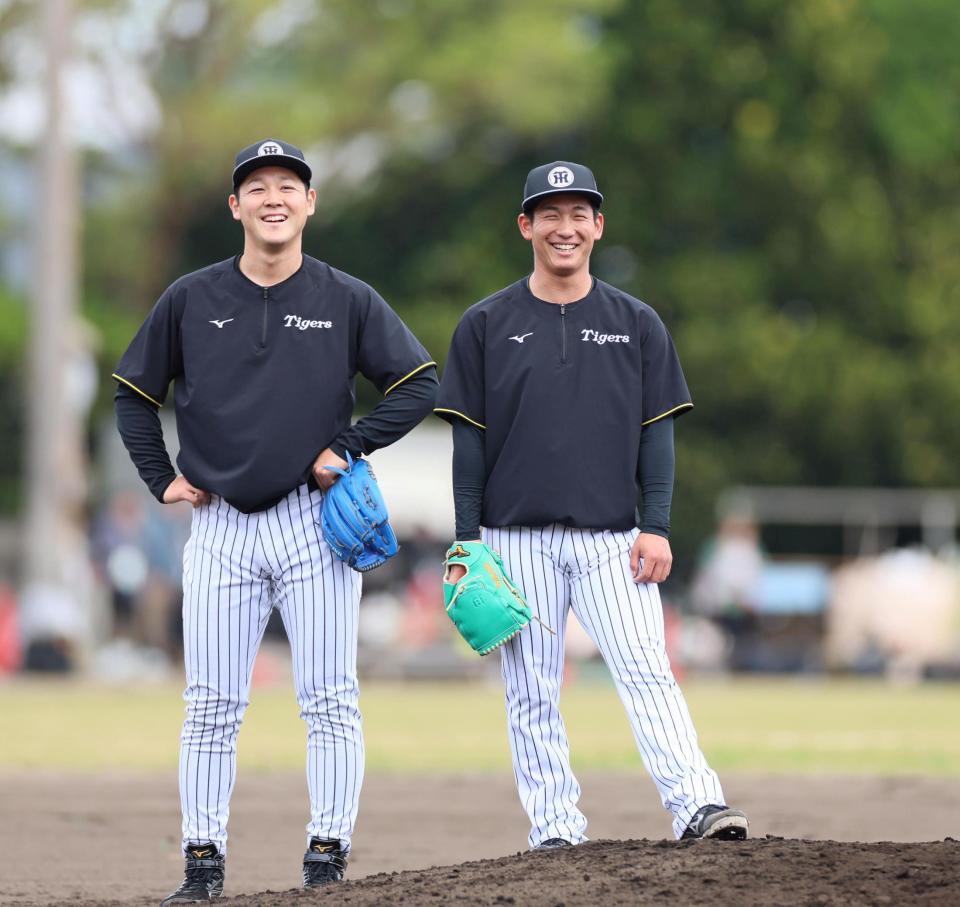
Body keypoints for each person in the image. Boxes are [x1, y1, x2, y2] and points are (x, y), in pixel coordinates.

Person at [113, 139, 437, 903]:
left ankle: (327, 859)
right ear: (236, 207)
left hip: (311, 520)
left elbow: (419, 382)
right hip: (220, 524)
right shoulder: (191, 298)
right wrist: (161, 478)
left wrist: (348, 446)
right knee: (210, 704)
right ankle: (202, 865)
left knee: (329, 698)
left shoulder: (345, 297)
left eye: (288, 185)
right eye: (256, 186)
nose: (273, 198)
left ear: (310, 203)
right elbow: (133, 393)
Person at [435, 161, 748, 848]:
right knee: (531, 691)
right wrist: (466, 540)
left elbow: (656, 433)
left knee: (647, 671)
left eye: (579, 213)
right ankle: (554, 828)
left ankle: (697, 804)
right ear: (526, 225)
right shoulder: (484, 323)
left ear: (598, 226)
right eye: (550, 213)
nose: (565, 227)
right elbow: (468, 441)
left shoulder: (636, 322)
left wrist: (656, 525)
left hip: (613, 539)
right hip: (513, 537)